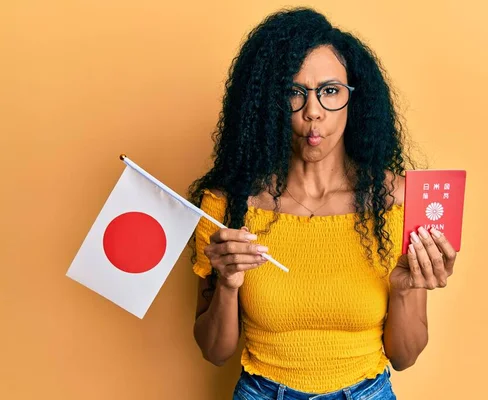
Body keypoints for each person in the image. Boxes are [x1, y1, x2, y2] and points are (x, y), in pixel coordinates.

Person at [187, 7, 457, 399]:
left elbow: (405, 356)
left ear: (354, 99)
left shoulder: (398, 201)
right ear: (268, 105)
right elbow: (214, 351)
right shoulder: (227, 207)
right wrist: (227, 286)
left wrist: (402, 290)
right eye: (294, 93)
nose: (313, 111)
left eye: (330, 91)